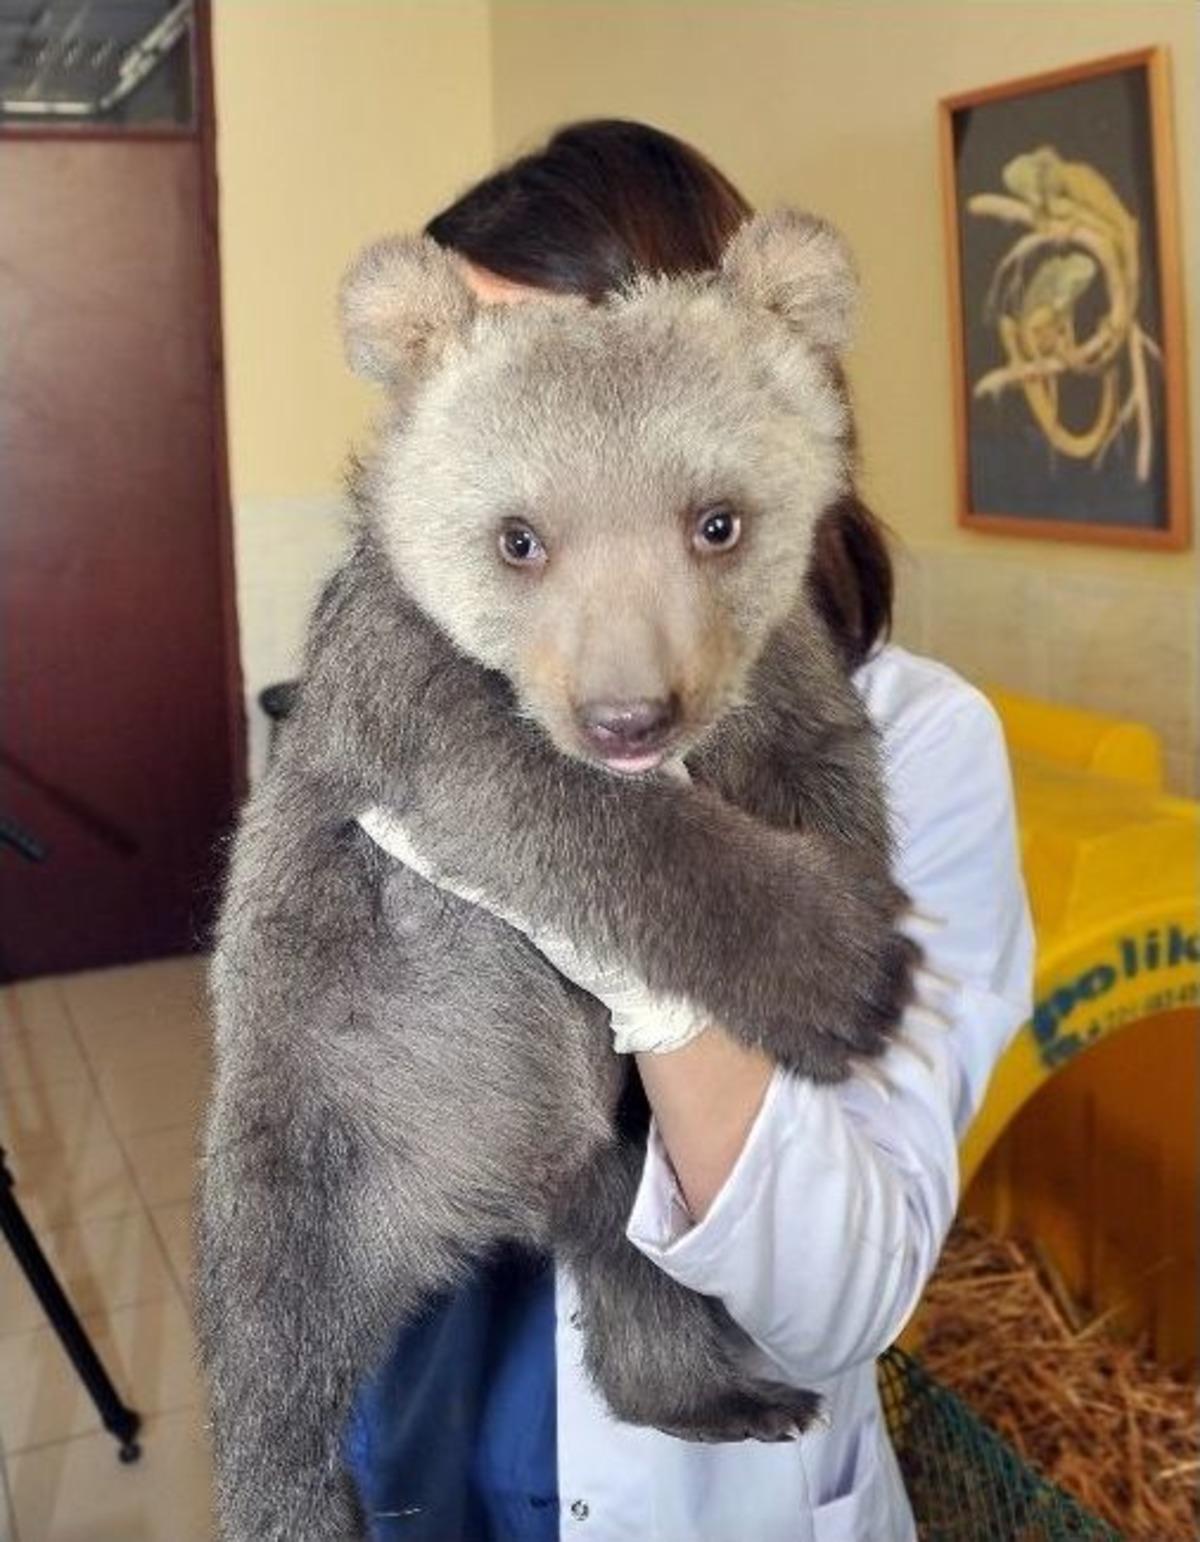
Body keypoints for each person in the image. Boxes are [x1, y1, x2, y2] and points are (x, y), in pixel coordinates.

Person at [343, 118, 1034, 1542]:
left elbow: (847, 1293)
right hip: (431, 1421)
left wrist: (657, 949)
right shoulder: (429, 698)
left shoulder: (922, 743)